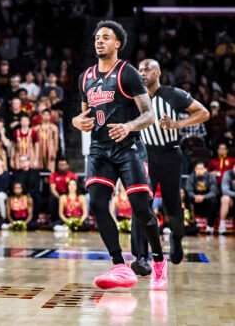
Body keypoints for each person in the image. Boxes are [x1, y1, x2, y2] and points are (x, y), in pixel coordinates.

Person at [72, 21, 166, 290]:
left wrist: (129, 125)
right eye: (96, 38)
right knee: (98, 204)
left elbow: (149, 114)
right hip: (100, 149)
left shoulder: (128, 73)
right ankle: (119, 265)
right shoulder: (85, 77)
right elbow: (83, 115)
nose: (98, 41)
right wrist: (76, 122)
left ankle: (158, 261)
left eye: (105, 37)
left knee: (140, 209)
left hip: (128, 147)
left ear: (118, 43)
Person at [131, 58, 210, 275]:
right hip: (145, 155)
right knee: (140, 205)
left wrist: (177, 124)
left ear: (158, 73)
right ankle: (140, 257)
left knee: (172, 207)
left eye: (147, 69)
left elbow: (204, 112)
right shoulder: (134, 95)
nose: (142, 73)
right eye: (139, 70)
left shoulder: (173, 93)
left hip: (170, 154)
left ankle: (176, 238)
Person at [186, 162, 218, 228]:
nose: (199, 171)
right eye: (197, 169)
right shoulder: (191, 177)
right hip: (195, 198)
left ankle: (210, 226)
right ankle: (191, 222)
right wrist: (195, 196)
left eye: (201, 169)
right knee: (187, 199)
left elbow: (214, 192)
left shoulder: (211, 177)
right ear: (195, 170)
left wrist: (204, 197)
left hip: (207, 198)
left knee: (214, 201)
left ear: (205, 169)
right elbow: (188, 190)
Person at [12, 154, 42, 219]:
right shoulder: (16, 173)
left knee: (37, 197)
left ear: (28, 162)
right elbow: (15, 185)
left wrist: (29, 194)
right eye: (21, 161)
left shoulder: (35, 172)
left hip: (32, 193)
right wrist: (24, 194)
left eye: (25, 161)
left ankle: (34, 218)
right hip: (20, 193)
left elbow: (37, 186)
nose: (23, 163)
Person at [219, 164, 235, 233]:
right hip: (230, 196)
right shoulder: (228, 174)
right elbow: (225, 190)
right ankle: (222, 225)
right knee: (225, 198)